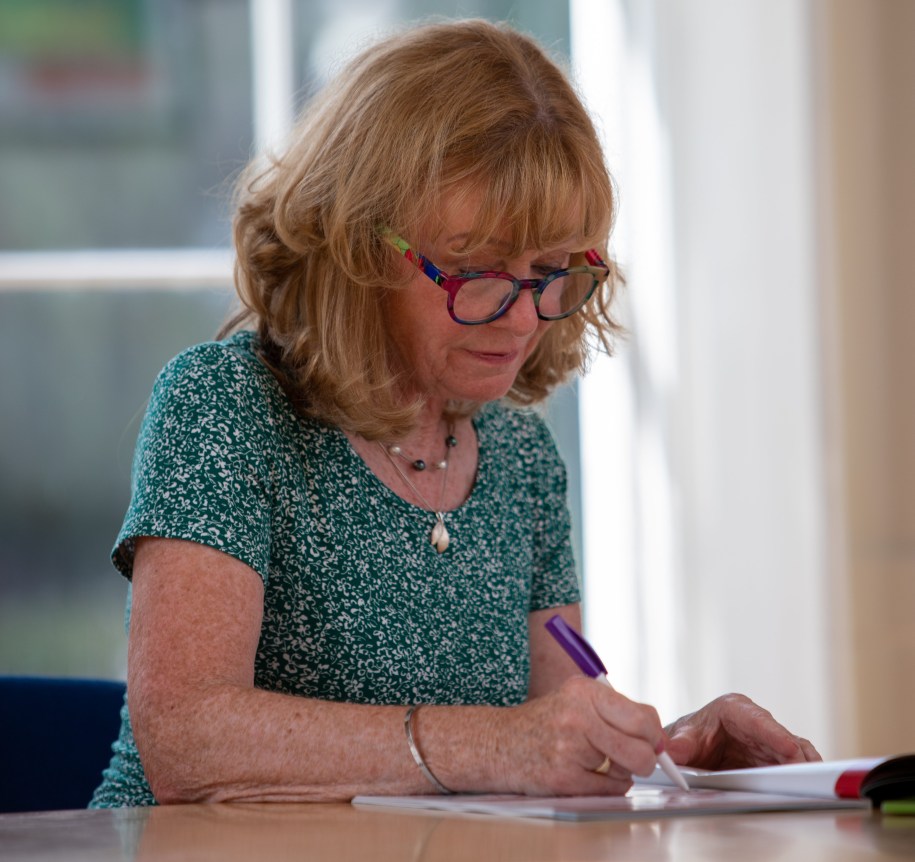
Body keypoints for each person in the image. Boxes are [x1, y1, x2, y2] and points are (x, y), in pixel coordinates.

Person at [91, 18, 818, 808]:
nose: (522, 318)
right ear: (358, 247)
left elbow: (541, 747)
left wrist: (666, 749)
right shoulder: (226, 408)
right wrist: (493, 744)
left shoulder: (521, 457)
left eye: (549, 271)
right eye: (475, 270)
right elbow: (189, 742)